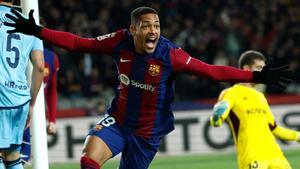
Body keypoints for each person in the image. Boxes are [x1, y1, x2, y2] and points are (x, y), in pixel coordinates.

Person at [4, 6, 292, 169]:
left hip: (148, 133)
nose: (153, 30)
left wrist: (256, 77)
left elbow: (212, 71)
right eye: (145, 26)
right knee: (89, 159)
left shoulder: (171, 55)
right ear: (133, 29)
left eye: (156, 25)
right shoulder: (120, 41)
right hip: (118, 121)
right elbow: (80, 43)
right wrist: (39, 31)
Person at [210, 50, 299, 169]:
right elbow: (217, 119)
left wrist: (298, 136)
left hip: (276, 156)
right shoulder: (230, 93)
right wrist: (216, 117)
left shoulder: (260, 96)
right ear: (246, 69)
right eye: (259, 68)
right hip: (252, 159)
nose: (264, 72)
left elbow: (274, 129)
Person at [0, 1, 44, 169]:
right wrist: (31, 103)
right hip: (20, 98)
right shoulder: (29, 23)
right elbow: (40, 66)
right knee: (13, 157)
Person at [20, 48, 60, 164]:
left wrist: (52, 120)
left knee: (22, 158)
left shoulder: (52, 58)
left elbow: (52, 90)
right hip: (17, 111)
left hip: (36, 117)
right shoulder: (19, 51)